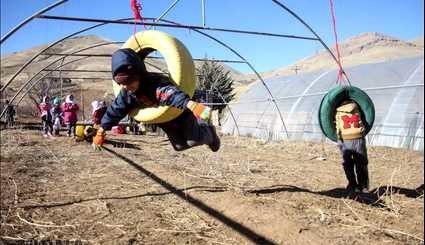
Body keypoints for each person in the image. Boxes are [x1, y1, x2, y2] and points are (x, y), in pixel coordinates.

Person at [93, 48, 220, 152]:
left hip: (180, 114)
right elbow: (116, 109)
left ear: (139, 75)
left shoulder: (154, 84)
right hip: (164, 120)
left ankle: (209, 132)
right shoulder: (126, 93)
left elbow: (170, 93)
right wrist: (101, 130)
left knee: (193, 140)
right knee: (179, 147)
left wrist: (190, 104)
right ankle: (204, 133)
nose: (127, 87)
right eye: (122, 84)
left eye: (130, 82)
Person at [335, 100, 369, 194]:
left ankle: (353, 185)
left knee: (347, 163)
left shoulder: (338, 112)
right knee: (361, 162)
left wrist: (339, 140)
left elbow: (338, 128)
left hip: (346, 139)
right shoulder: (356, 109)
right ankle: (364, 186)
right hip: (359, 138)